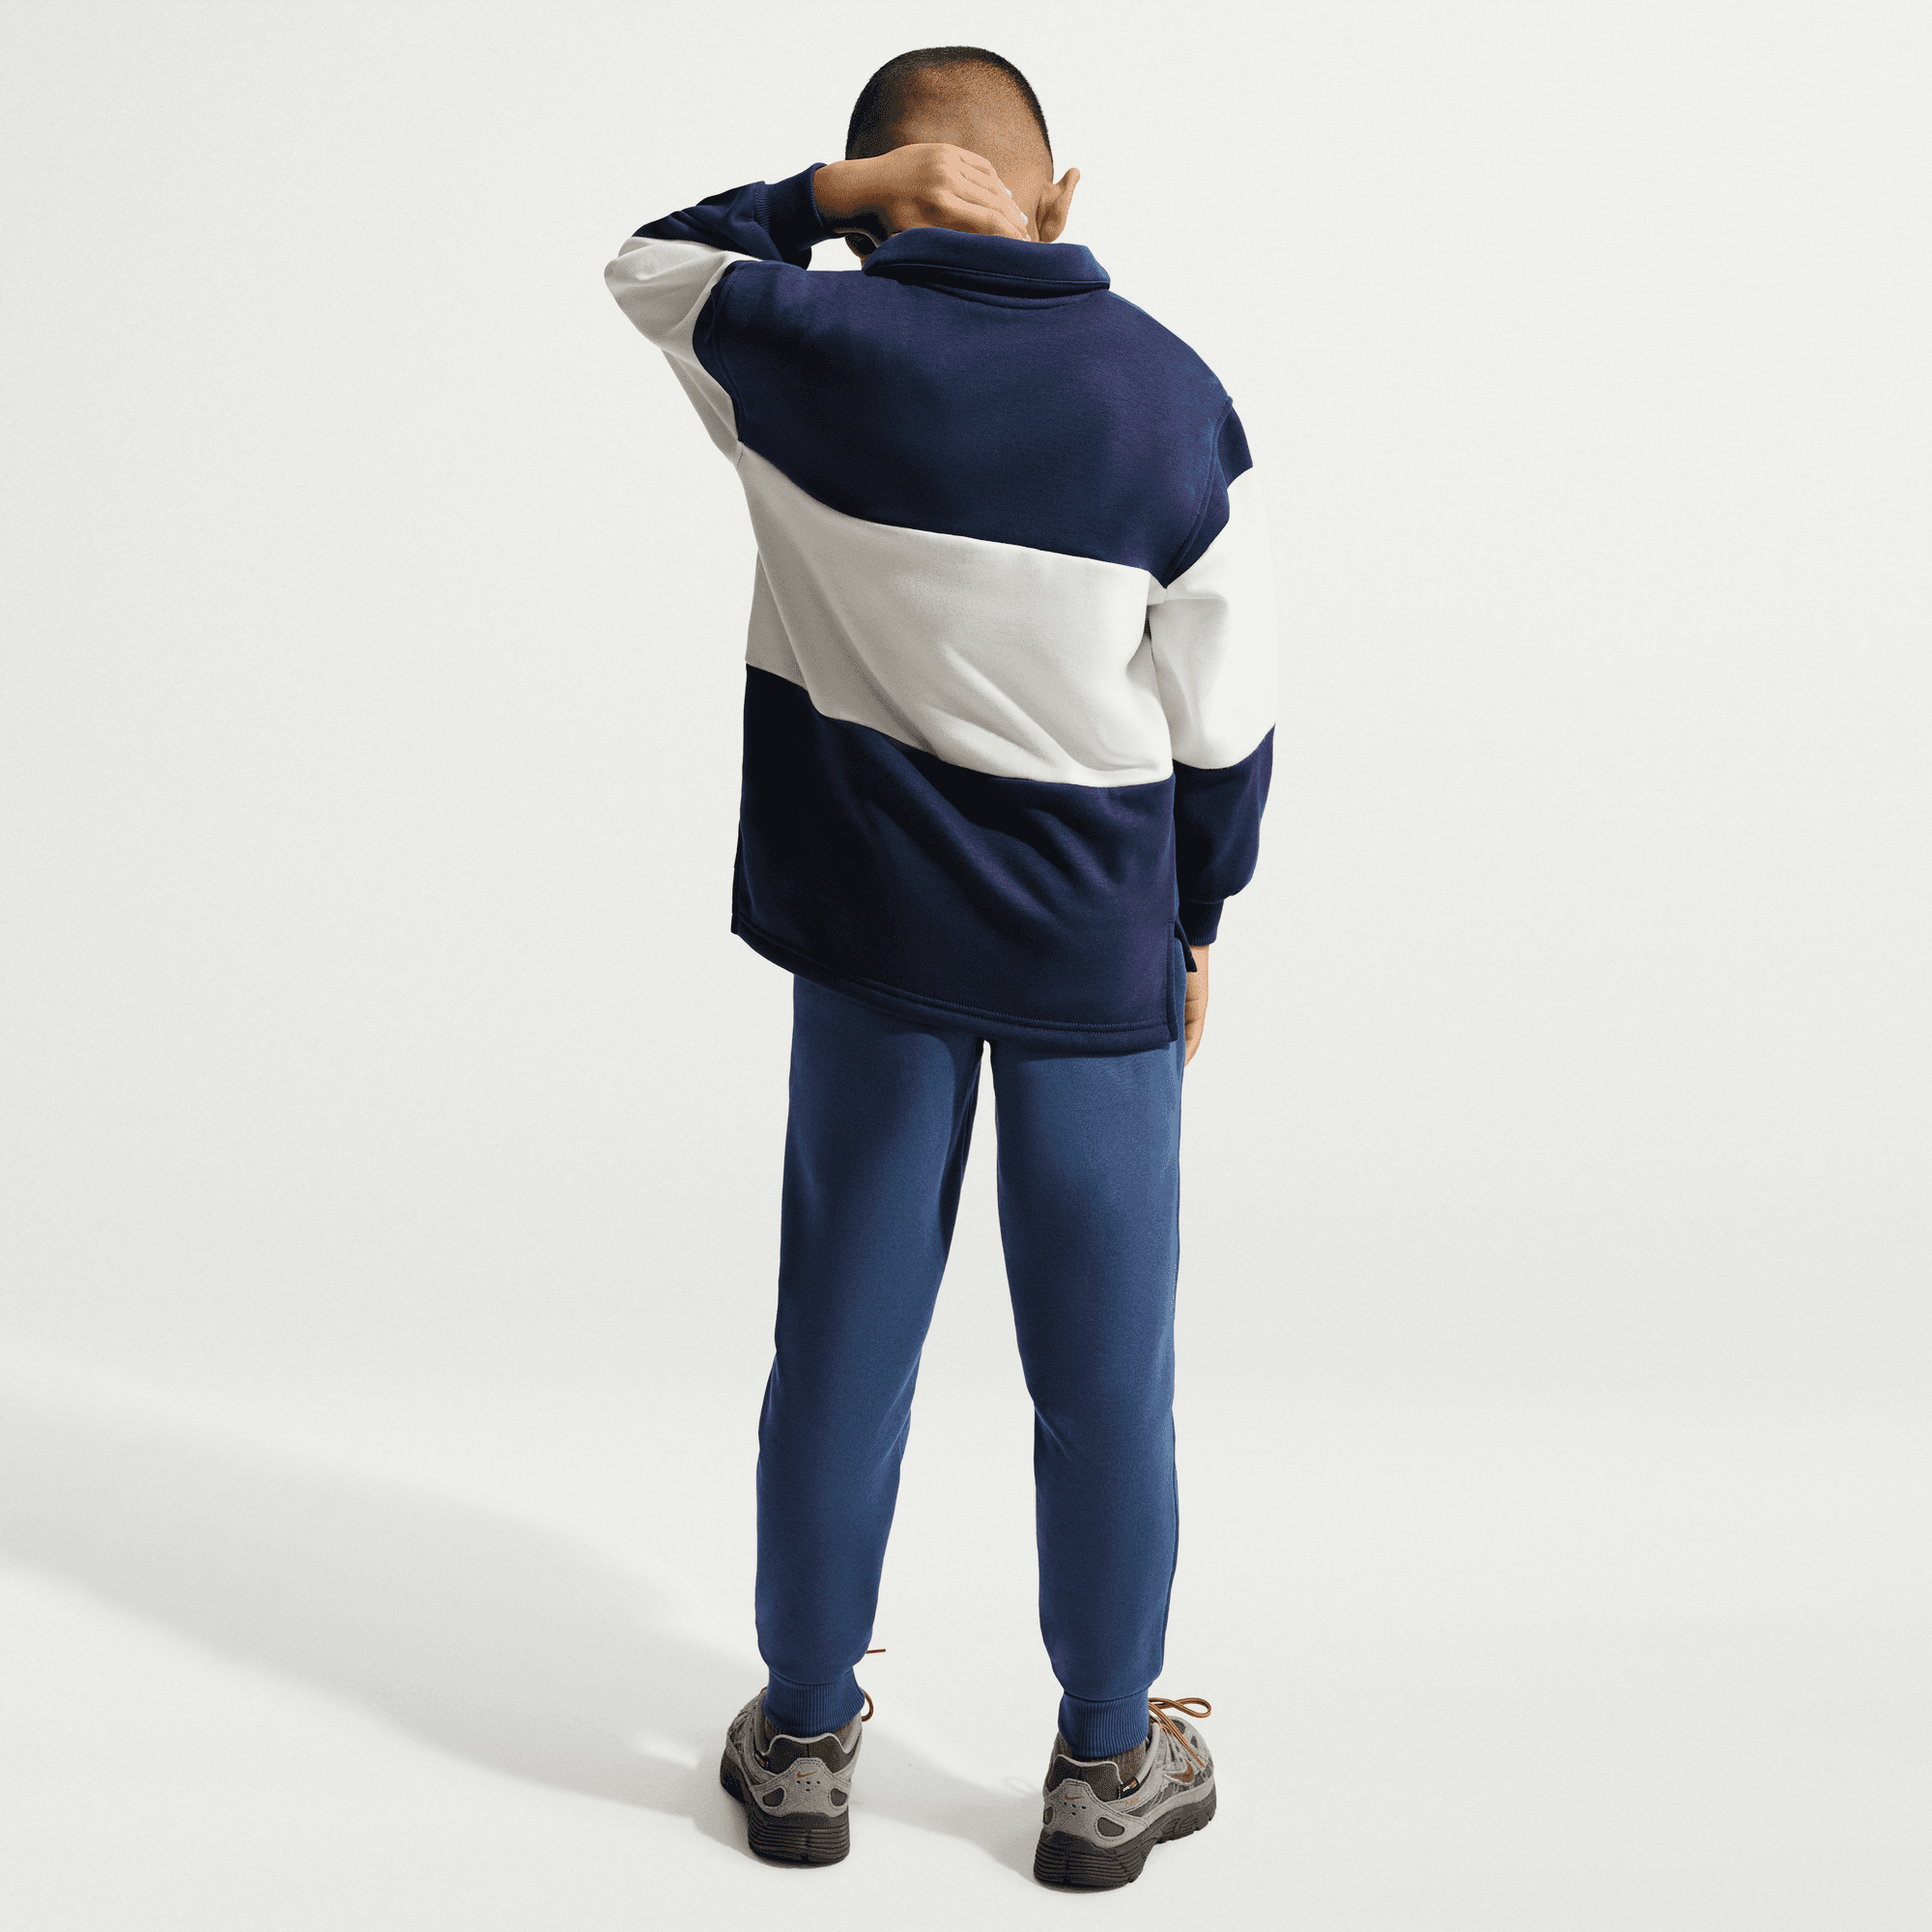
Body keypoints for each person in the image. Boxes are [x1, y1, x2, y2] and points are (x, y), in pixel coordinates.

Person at [605, 44, 1274, 1889]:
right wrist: (1197, 920)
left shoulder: (797, 353)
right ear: (1060, 199)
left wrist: (830, 206)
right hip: (1090, 962)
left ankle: (804, 1742)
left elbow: (647, 262)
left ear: (880, 196)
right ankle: (1107, 1762)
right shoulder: (1169, 397)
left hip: (870, 947)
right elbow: (1225, 729)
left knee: (841, 1342)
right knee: (1104, 1373)